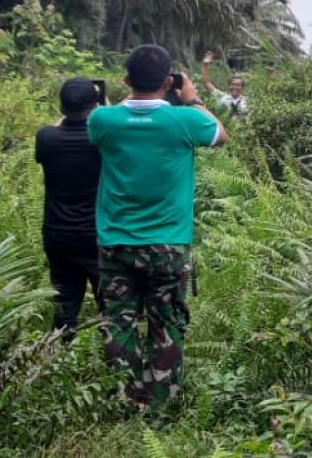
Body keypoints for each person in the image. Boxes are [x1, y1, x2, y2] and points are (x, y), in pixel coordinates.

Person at [88, 44, 228, 408]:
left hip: (115, 243)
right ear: (170, 81)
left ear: (126, 80)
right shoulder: (185, 120)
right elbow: (220, 133)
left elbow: (111, 118)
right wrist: (193, 99)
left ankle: (127, 399)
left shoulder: (102, 120)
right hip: (168, 244)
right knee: (167, 322)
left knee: (118, 321)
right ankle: (162, 402)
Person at [34, 78, 104, 338]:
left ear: (61, 108)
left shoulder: (47, 138)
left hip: (57, 233)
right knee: (109, 304)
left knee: (64, 303)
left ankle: (60, 357)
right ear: (94, 105)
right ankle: (111, 361)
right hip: (96, 235)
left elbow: (54, 129)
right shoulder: (101, 141)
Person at [201, 50, 247, 115]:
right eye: (232, 84)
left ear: (242, 87)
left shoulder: (247, 101)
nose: (234, 87)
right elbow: (207, 84)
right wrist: (205, 65)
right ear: (228, 86)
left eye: (237, 85)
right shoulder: (222, 96)